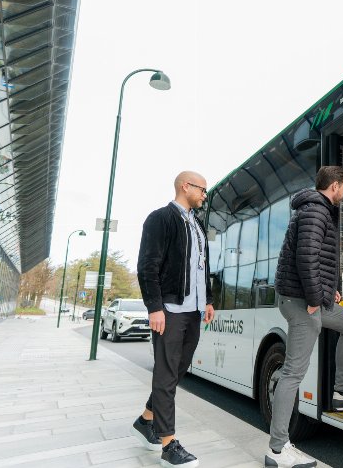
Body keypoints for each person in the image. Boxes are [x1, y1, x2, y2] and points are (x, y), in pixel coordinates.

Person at [265, 166, 343, 468]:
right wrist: (316, 299)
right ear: (335, 186)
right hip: (302, 302)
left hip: (310, 298)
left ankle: (342, 390)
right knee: (292, 374)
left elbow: (316, 258)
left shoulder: (319, 210)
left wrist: (328, 293)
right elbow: (306, 257)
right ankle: (277, 450)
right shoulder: (315, 211)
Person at [132, 170, 215, 468]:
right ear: (185, 186)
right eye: (203, 190)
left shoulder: (197, 225)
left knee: (178, 369)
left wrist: (207, 299)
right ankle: (168, 444)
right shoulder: (160, 218)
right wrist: (154, 307)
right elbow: (147, 266)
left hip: (193, 310)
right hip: (169, 309)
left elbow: (202, 267)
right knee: (166, 373)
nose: (205, 195)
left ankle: (146, 419)